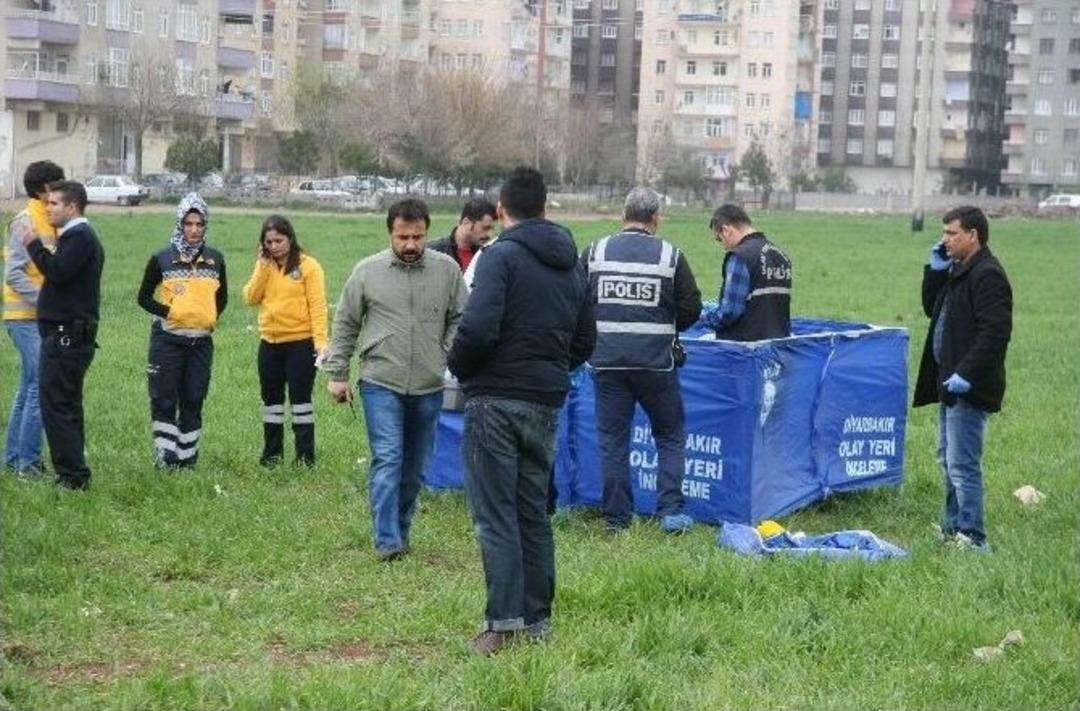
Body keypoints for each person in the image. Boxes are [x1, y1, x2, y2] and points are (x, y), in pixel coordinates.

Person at [448, 167, 595, 655]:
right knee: (533, 512)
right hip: (545, 401)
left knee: (495, 516)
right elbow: (585, 340)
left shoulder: (500, 258)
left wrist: (461, 369)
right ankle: (537, 622)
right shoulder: (573, 264)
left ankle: (503, 624)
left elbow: (478, 330)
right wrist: (551, 370)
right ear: (546, 208)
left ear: (502, 211)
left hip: (494, 400)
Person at [324, 198, 467, 561]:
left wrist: (444, 350)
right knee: (388, 458)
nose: (410, 245)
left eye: (417, 237)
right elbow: (345, 324)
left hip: (429, 384)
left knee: (415, 466)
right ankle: (387, 542)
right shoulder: (367, 272)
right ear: (390, 233)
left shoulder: (446, 271)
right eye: (403, 237)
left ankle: (402, 531)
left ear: (427, 232)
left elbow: (462, 316)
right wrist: (338, 374)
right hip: (380, 382)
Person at [582, 187, 703, 534]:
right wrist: (665, 327)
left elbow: (575, 299)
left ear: (623, 217)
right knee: (668, 435)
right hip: (656, 364)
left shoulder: (595, 252)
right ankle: (670, 512)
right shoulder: (670, 255)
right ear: (656, 218)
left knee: (613, 441)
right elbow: (691, 307)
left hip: (606, 363)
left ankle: (617, 521)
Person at [914, 206, 1012, 552]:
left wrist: (967, 374)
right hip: (948, 383)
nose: (945, 240)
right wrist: (935, 271)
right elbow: (931, 308)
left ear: (973, 235)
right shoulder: (959, 270)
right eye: (944, 233)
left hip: (968, 385)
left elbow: (995, 333)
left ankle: (973, 537)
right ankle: (953, 527)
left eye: (952, 234)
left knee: (963, 464)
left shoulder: (987, 275)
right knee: (947, 459)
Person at [21, 180, 104, 491]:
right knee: (66, 404)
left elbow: (57, 271)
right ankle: (74, 469)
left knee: (58, 406)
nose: (48, 208)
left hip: (67, 337)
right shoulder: (73, 236)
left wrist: (33, 245)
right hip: (65, 336)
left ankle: (71, 477)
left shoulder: (80, 237)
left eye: (55, 203)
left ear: (73, 206)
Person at [136, 193, 227, 468]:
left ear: (205, 225)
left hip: (201, 344)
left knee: (193, 399)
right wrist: (174, 313)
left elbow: (222, 298)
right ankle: (166, 459)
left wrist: (205, 316)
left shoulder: (216, 259)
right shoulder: (162, 258)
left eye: (199, 224)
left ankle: (188, 460)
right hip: (168, 342)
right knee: (164, 400)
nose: (194, 229)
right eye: (188, 223)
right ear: (180, 223)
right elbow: (143, 298)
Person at [242, 215, 328, 467]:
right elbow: (250, 297)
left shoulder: (309, 266)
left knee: (301, 403)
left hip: (301, 344)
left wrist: (321, 343)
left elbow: (318, 306)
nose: (274, 246)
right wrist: (261, 266)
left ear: (290, 238)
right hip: (269, 343)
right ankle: (271, 455)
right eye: (268, 241)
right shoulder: (266, 265)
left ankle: (304, 457)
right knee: (271, 403)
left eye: (279, 240)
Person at [3, 160, 64, 478]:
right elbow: (13, 274)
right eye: (57, 184)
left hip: (38, 317)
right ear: (42, 189)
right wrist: (46, 303)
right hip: (23, 317)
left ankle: (13, 460)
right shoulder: (26, 221)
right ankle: (28, 464)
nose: (62, 189)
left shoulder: (50, 219)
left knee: (29, 385)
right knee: (41, 385)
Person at [701, 204, 792, 341]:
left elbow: (729, 313)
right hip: (779, 346)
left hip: (744, 351)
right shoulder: (781, 255)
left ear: (726, 230)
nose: (723, 246)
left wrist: (701, 315)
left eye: (719, 239)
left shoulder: (740, 257)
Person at [428, 197, 498, 273]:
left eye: (492, 229)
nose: (489, 234)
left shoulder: (487, 254)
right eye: (485, 228)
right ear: (466, 222)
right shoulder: (433, 252)